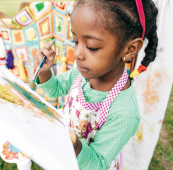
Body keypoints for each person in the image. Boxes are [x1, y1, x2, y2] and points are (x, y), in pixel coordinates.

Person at [33, 0, 158, 169]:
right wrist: (44, 71)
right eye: (76, 41)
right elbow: (55, 89)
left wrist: (74, 145)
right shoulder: (83, 73)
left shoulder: (125, 113)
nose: (77, 54)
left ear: (129, 49)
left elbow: (96, 163)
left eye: (91, 47)